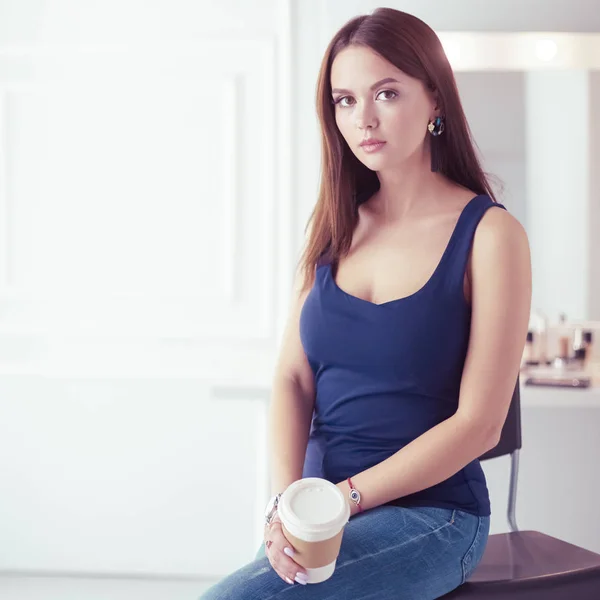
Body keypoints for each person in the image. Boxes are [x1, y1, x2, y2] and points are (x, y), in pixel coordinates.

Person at [199, 7, 531, 600]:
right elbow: (292, 378)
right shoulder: (335, 225)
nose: (363, 119)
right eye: (344, 100)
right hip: (322, 514)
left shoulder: (490, 235)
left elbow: (479, 425)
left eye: (386, 93)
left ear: (434, 100)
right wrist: (288, 505)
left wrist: (344, 499)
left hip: (437, 516)